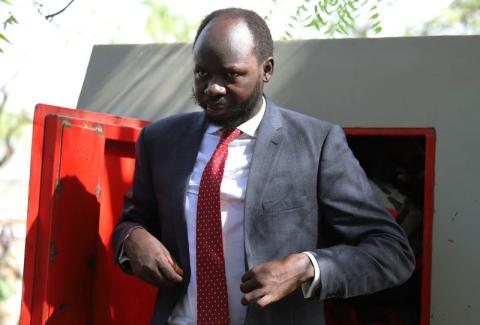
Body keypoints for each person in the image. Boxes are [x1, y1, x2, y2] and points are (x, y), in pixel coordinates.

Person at [112, 7, 415, 325]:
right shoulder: (160, 141)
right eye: (203, 74)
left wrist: (305, 267)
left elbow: (391, 252)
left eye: (230, 75)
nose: (213, 87)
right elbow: (131, 222)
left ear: (266, 69)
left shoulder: (316, 143)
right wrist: (131, 238)